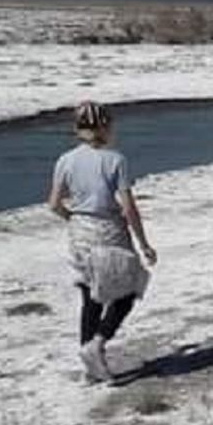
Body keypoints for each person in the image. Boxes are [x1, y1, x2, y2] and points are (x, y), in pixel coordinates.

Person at [47, 101, 157, 384]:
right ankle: (97, 344)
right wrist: (144, 244)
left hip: (80, 232)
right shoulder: (115, 160)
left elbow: (54, 203)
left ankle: (90, 368)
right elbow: (129, 208)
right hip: (109, 230)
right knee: (130, 287)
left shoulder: (65, 160)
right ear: (105, 127)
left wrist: (72, 217)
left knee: (90, 295)